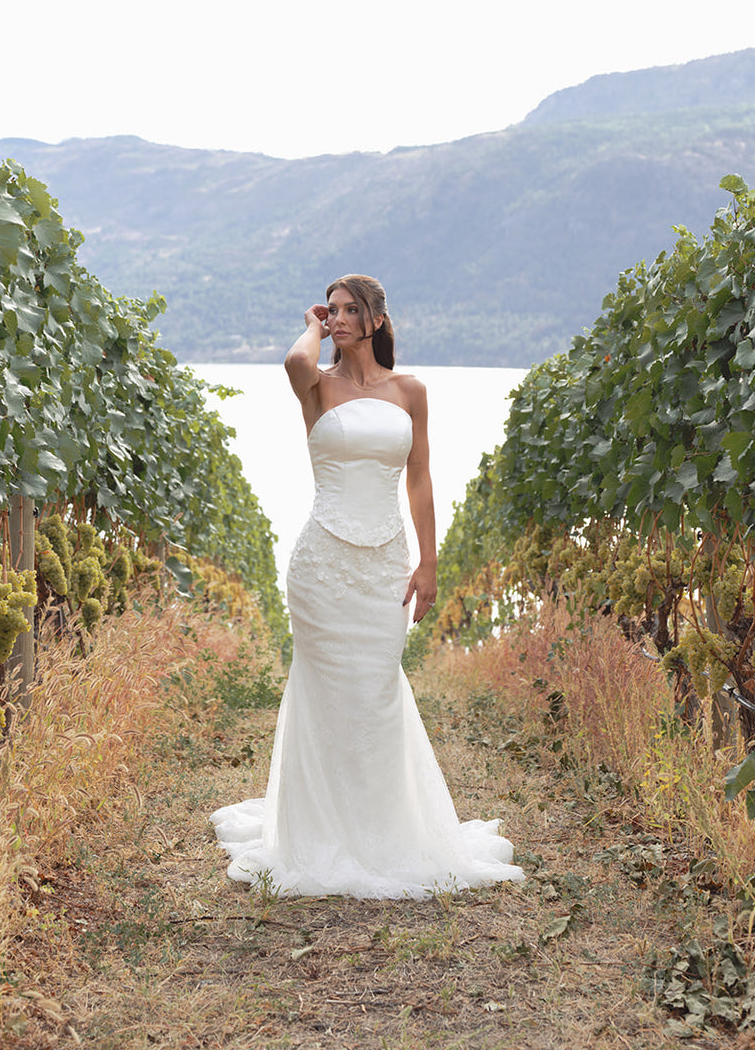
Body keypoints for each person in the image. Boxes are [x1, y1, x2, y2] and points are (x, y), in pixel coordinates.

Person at [209, 274, 524, 899]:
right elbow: (294, 359)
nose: (342, 319)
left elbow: (421, 481)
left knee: (377, 687)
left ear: (378, 319)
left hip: (384, 562)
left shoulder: (411, 391)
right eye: (336, 311)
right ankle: (318, 831)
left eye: (353, 310)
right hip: (321, 563)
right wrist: (312, 323)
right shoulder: (317, 386)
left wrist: (429, 564)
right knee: (323, 689)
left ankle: (387, 831)